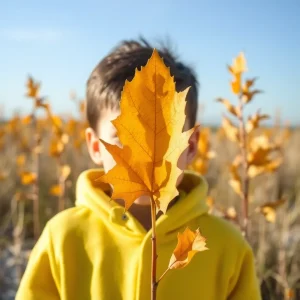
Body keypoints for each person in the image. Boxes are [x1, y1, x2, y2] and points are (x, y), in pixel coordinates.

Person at [16, 38, 262, 300]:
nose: (145, 157)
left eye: (166, 135)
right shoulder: (62, 238)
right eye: (124, 137)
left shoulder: (225, 247)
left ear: (190, 146)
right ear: (95, 146)